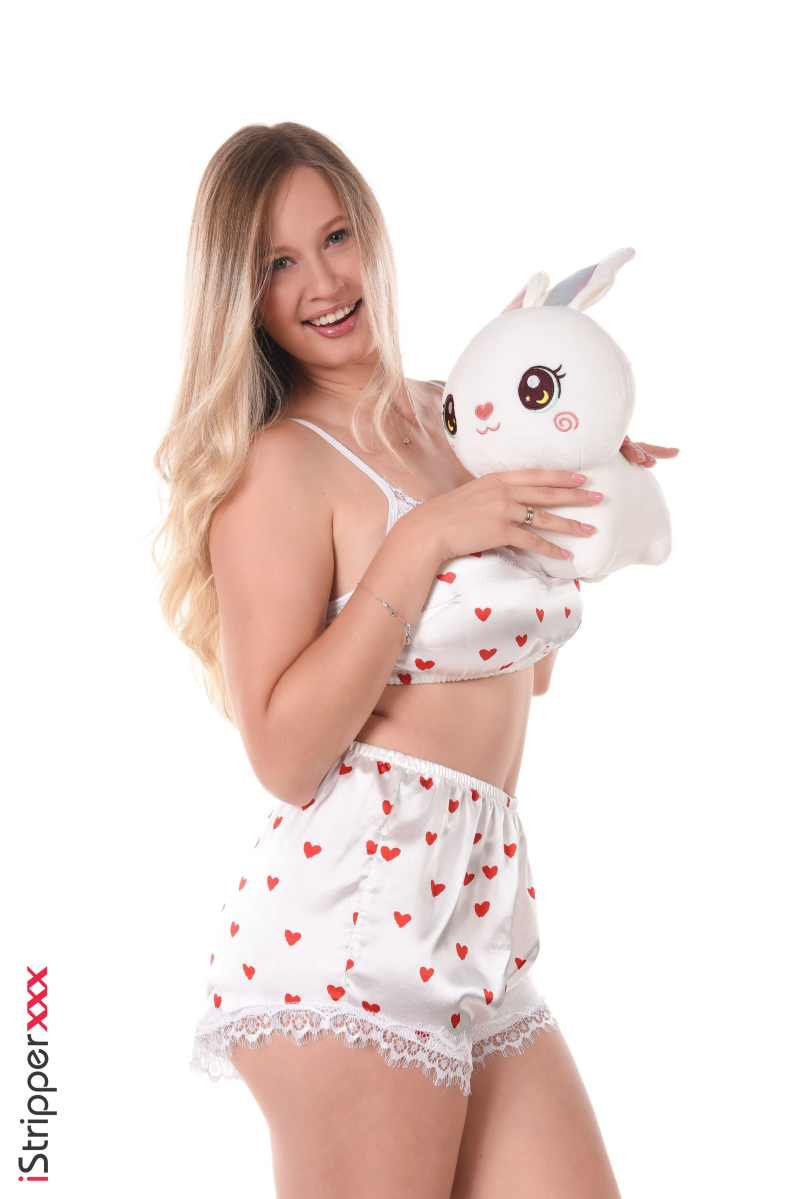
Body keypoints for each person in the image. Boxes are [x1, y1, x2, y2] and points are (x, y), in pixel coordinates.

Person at [153, 122, 678, 1199]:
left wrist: (580, 483)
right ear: (241, 297)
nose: (323, 281)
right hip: (354, 926)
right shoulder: (278, 470)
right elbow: (285, 754)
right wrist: (427, 536)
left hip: (474, 916)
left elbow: (520, 673)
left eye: (335, 236)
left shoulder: (455, 422)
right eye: (277, 263)